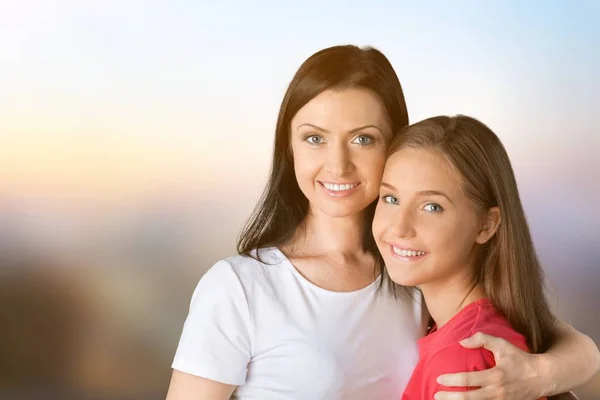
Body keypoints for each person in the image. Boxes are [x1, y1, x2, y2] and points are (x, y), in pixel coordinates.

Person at [166, 45, 599, 400]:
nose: (337, 164)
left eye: (363, 139)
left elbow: (576, 349)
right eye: (314, 138)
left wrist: (537, 375)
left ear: (396, 146)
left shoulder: (415, 267)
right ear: (289, 147)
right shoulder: (241, 288)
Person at [372, 115, 583, 399]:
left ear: (486, 225)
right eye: (391, 199)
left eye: (432, 207)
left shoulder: (463, 362)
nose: (398, 227)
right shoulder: (465, 328)